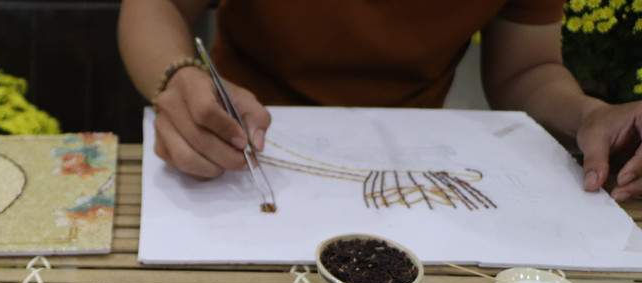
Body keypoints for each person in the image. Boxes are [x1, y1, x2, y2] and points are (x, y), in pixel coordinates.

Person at [118, 0, 642, 202]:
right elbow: (154, 7)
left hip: (412, 166)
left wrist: (589, 114)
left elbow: (526, 70)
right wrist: (179, 76)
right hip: (237, 147)